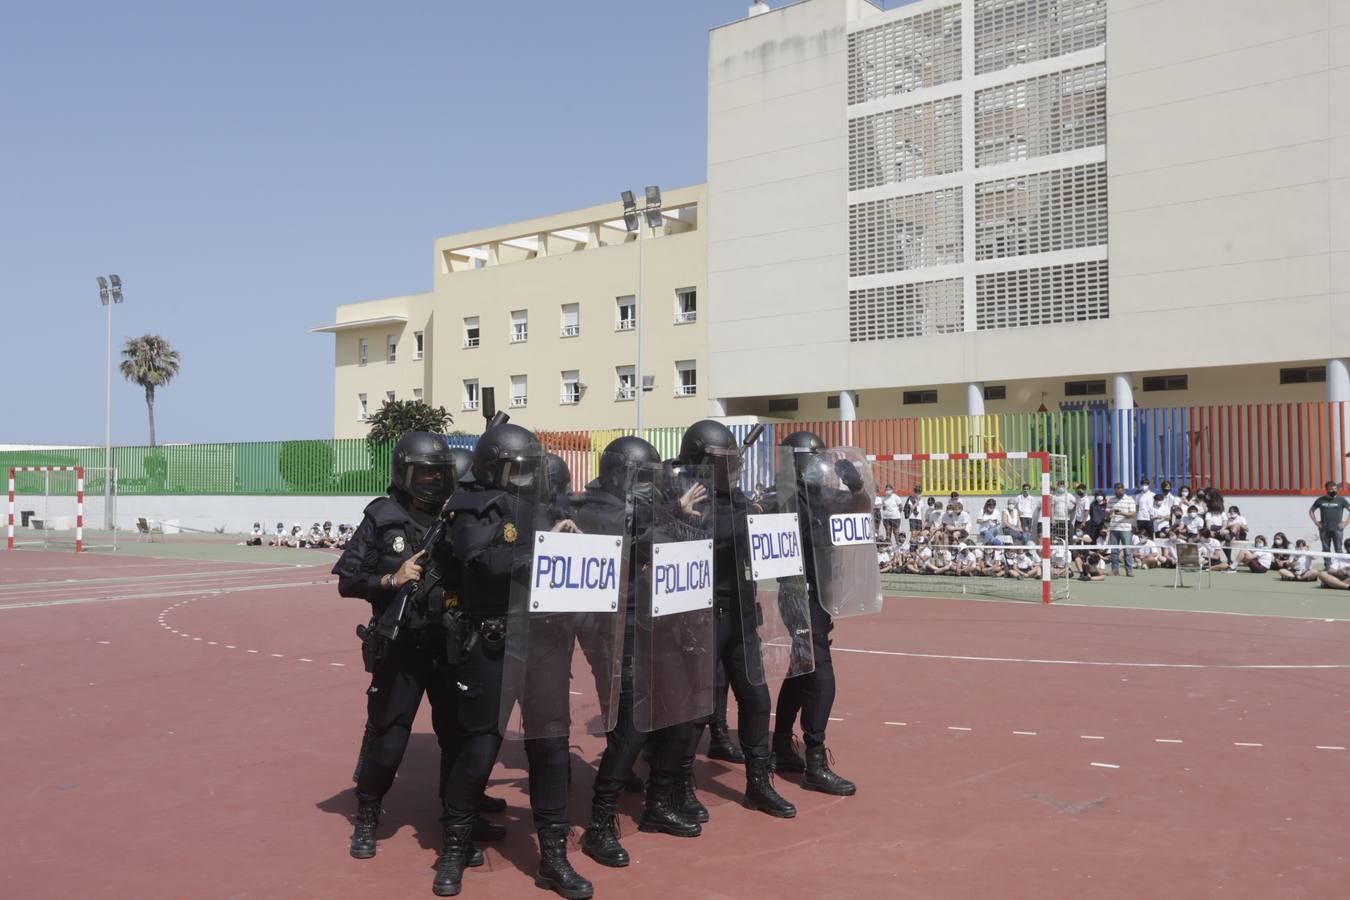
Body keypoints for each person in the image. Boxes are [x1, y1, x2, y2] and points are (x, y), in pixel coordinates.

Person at [437, 423, 592, 899]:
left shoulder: (547, 506)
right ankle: (455, 846)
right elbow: (480, 559)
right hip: (492, 643)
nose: (523, 476)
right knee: (480, 748)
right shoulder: (469, 506)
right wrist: (541, 548)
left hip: (545, 641)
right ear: (491, 467)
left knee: (550, 748)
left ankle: (553, 857)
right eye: (515, 468)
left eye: (528, 468)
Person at [332, 432, 482, 872]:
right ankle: (367, 814)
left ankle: (456, 823)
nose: (432, 480)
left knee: (457, 738)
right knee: (388, 738)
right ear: (404, 471)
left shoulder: (459, 516)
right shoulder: (382, 516)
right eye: (424, 471)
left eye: (439, 471)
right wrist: (391, 580)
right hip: (400, 647)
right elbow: (347, 580)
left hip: (450, 644)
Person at [580, 436, 706, 868]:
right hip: (618, 632)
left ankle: (661, 801)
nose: (650, 486)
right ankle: (600, 823)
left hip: (663, 624)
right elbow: (626, 535)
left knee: (681, 715)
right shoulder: (593, 506)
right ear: (619, 475)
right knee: (632, 726)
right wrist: (672, 513)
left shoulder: (649, 507)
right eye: (642, 478)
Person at [677, 420, 796, 819]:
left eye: (734, 462)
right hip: (700, 617)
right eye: (724, 463)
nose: (734, 470)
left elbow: (746, 531)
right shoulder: (681, 500)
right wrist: (683, 518)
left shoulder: (739, 500)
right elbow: (715, 533)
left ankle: (759, 783)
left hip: (741, 615)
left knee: (757, 699)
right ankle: (679, 784)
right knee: (698, 706)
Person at [770, 431, 862, 797]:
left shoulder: (822, 497)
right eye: (814, 461)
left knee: (800, 670)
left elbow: (860, 507)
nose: (818, 468)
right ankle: (815, 759)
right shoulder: (784, 501)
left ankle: (779, 746)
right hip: (797, 595)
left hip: (820, 597)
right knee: (821, 676)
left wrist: (855, 485)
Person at [1309, 481, 1350, 556]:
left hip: (1338, 529)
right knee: (1326, 549)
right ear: (1326, 490)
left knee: (1338, 549)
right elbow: (1311, 511)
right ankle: (1327, 566)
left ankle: (1338, 566)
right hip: (1324, 529)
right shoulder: (1320, 500)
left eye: (1335, 489)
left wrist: (1346, 522)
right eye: (1331, 489)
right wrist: (1316, 522)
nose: (1334, 491)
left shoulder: (1341, 500)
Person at [1106, 483, 1136, 577]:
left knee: (1127, 550)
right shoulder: (1111, 500)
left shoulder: (1129, 499)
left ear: (1123, 490)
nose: (1118, 492)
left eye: (1120, 490)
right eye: (1116, 490)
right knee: (1114, 550)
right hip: (1114, 527)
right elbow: (1107, 513)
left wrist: (1121, 513)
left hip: (1126, 528)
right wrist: (1110, 512)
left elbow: (1132, 514)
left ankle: (1129, 570)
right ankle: (1115, 570)